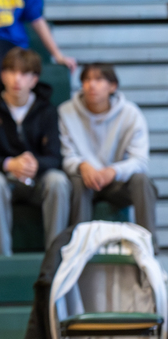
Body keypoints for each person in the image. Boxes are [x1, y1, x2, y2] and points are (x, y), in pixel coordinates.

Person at [0, 47, 68, 256]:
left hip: (38, 180)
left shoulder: (47, 110)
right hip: (5, 178)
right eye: (11, 72)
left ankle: (54, 257)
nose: (17, 79)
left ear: (34, 80)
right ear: (3, 75)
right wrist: (11, 164)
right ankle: (3, 256)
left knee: (58, 180)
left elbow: (55, 158)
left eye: (24, 73)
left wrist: (36, 164)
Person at [59, 63, 156, 237]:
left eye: (98, 79)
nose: (92, 85)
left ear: (113, 86)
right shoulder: (66, 112)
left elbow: (140, 161)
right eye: (87, 79)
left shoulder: (130, 114)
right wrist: (83, 166)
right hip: (84, 181)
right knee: (76, 181)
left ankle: (148, 247)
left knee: (142, 180)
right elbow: (66, 156)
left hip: (117, 183)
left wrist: (114, 171)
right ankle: (78, 248)